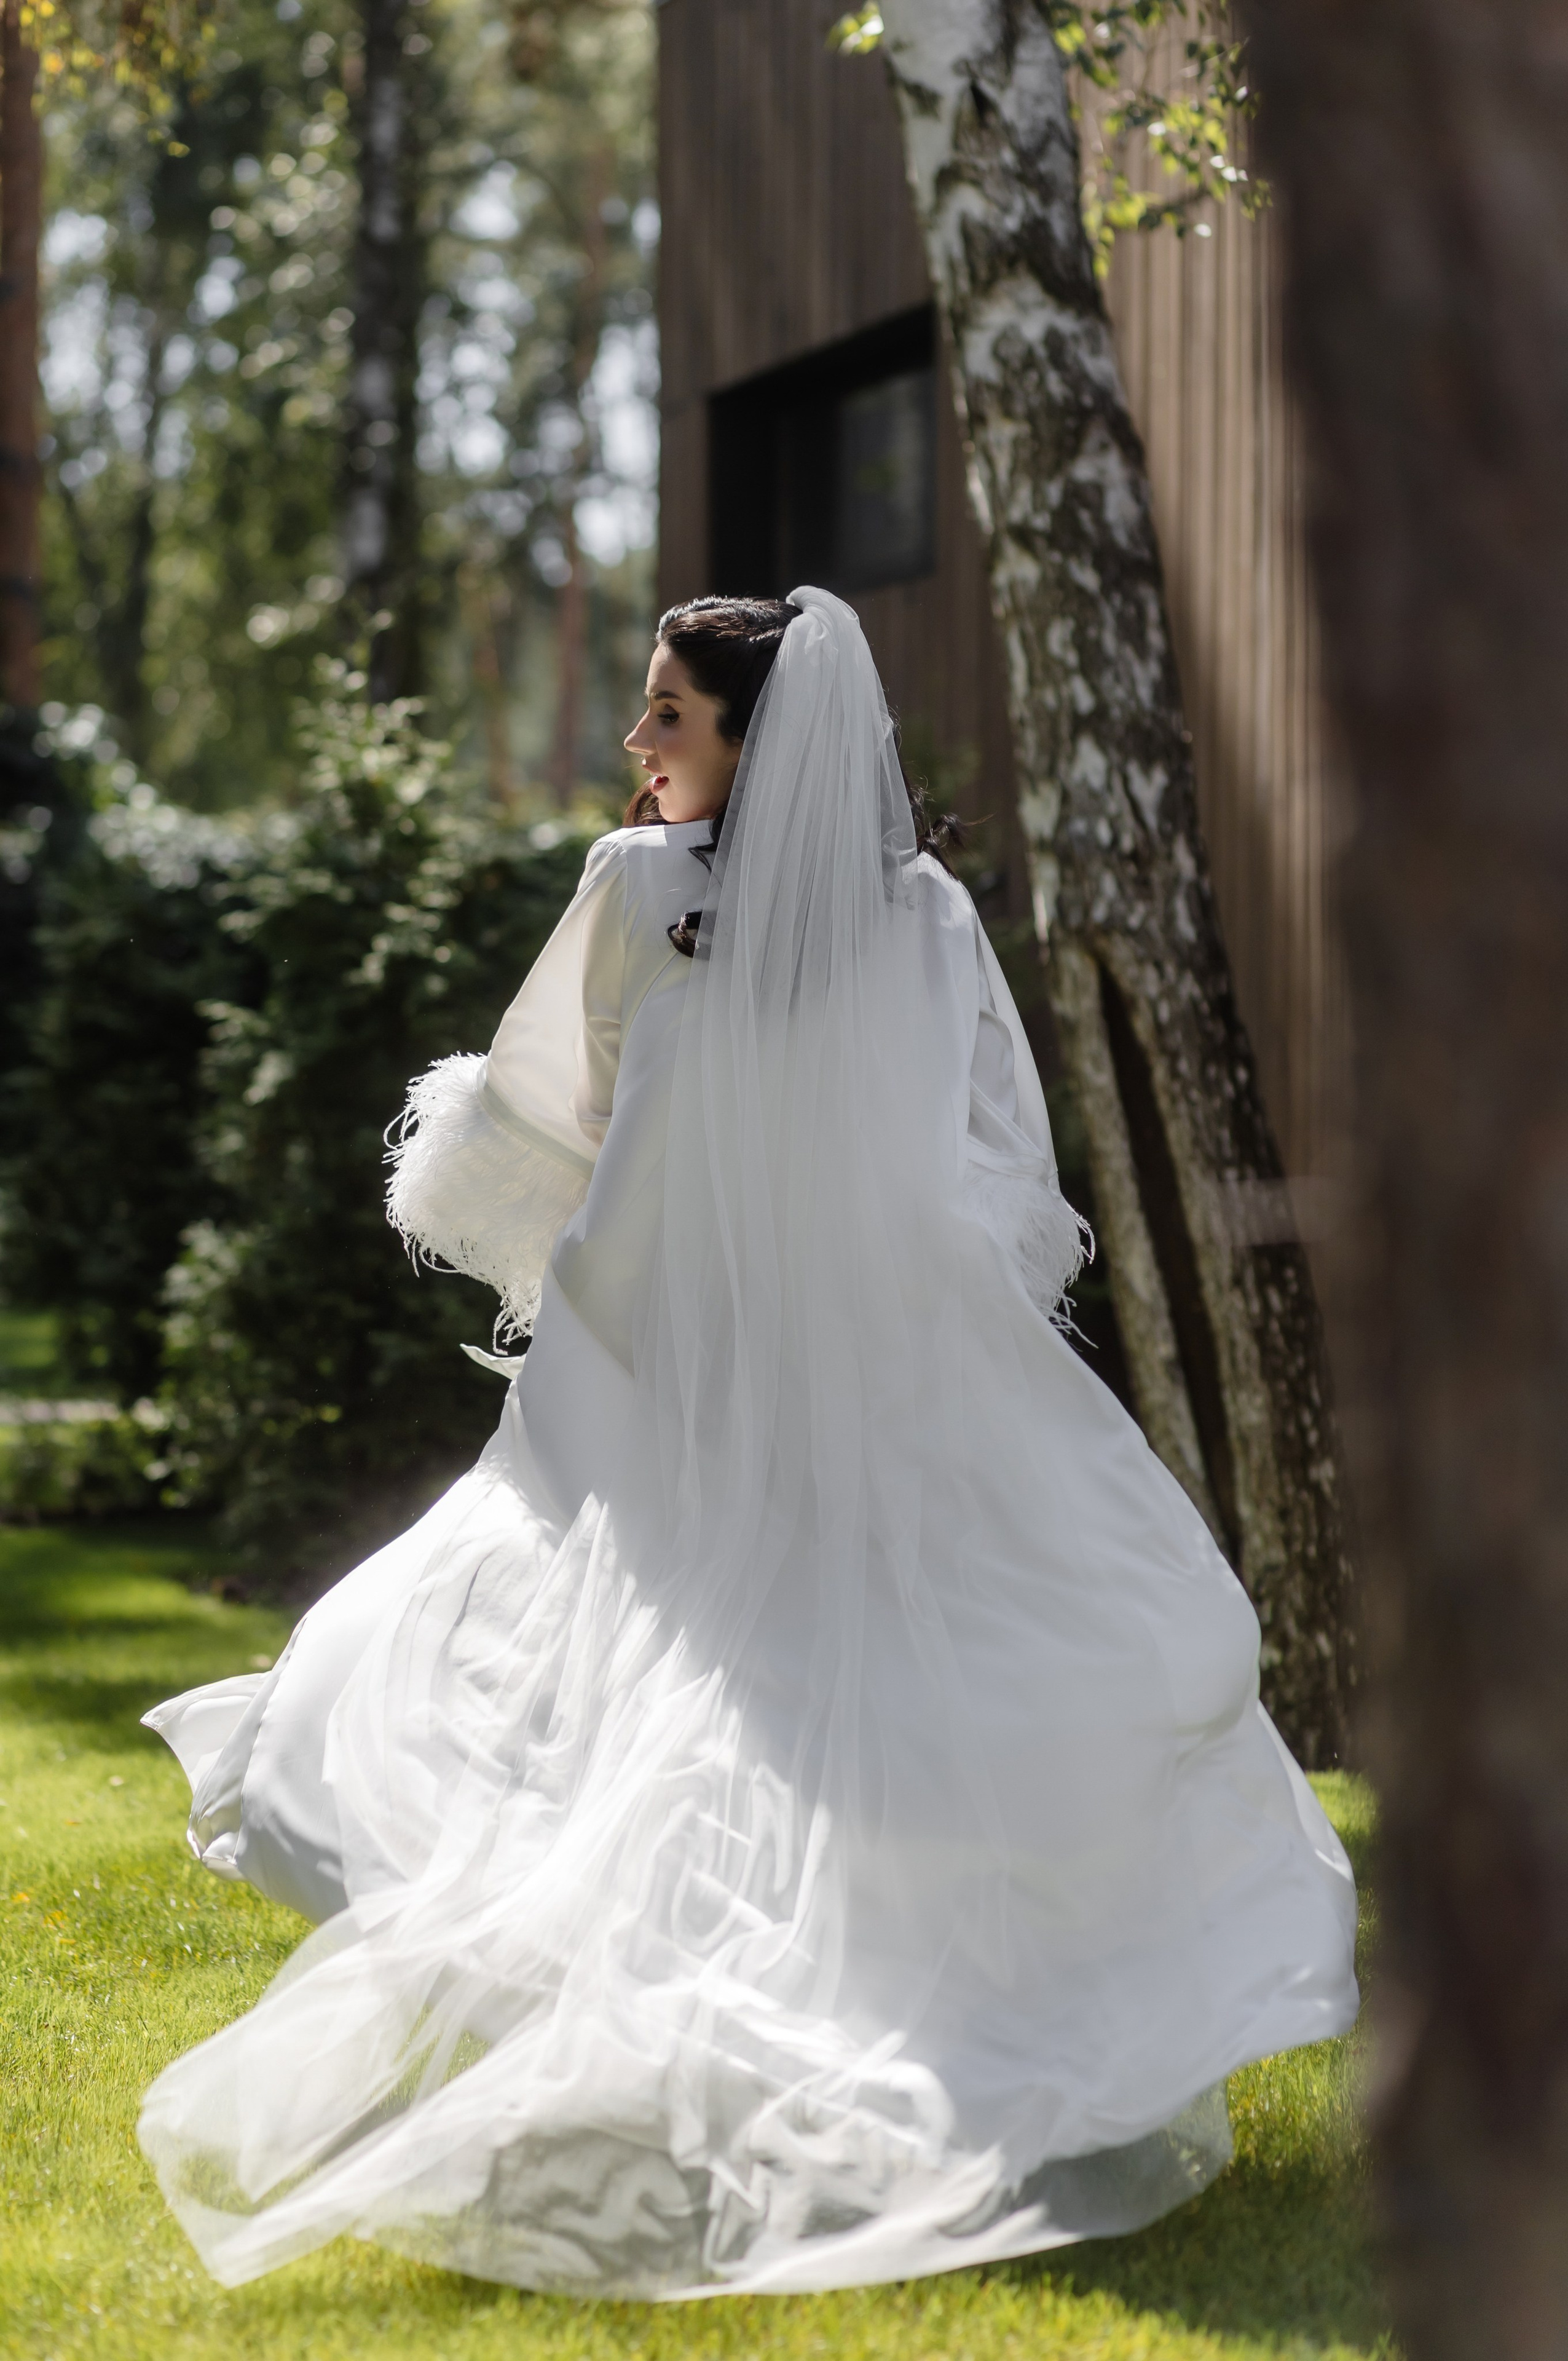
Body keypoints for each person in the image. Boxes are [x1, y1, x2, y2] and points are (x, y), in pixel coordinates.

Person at [138, 588, 1358, 2297]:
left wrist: (619, 1246)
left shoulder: (644, 893)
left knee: (660, 1677)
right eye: (643, 714)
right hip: (861, 1372)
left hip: (674, 1370)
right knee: (811, 1693)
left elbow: (544, 1112)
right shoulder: (922, 917)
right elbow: (997, 1161)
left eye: (668, 719)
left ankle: (757, 2019)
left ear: (752, 744)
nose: (636, 750)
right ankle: (849, 2019)